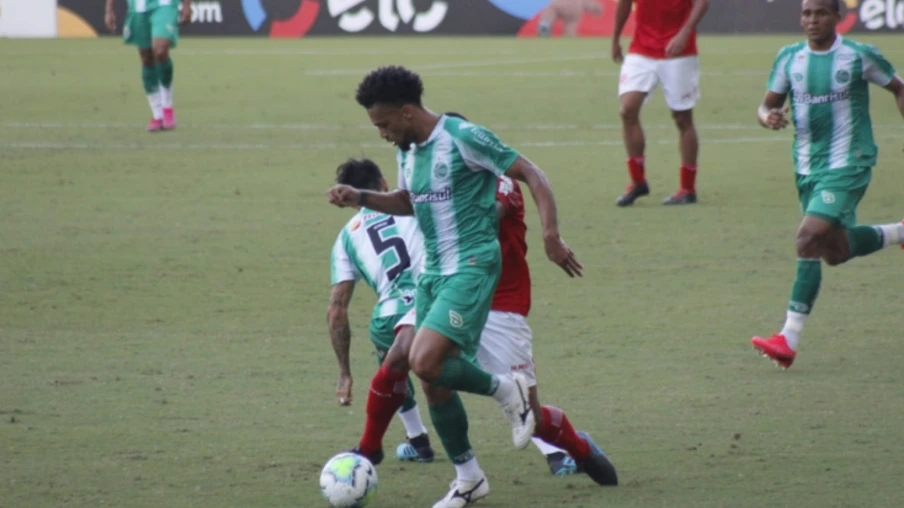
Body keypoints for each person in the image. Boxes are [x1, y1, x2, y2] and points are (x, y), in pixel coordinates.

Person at [326, 65, 583, 506]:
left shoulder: (463, 136)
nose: (382, 134)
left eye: (384, 124)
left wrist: (550, 234)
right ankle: (469, 479)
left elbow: (532, 173)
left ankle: (509, 392)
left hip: (471, 266)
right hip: (433, 274)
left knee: (424, 361)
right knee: (422, 373)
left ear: (407, 113)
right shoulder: (407, 150)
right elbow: (408, 201)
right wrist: (361, 196)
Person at [750, 0, 904, 369]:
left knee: (807, 237)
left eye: (820, 13)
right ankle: (899, 233)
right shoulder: (789, 58)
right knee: (833, 251)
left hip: (850, 162)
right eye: (806, 13)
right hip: (807, 168)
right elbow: (765, 105)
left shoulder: (857, 55)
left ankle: (787, 338)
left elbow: (899, 87)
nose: (812, 20)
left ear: (837, 17)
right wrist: (767, 116)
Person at [327, 158, 436, 463]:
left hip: (389, 317)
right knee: (446, 380)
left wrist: (345, 373)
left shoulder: (346, 237)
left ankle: (417, 439)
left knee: (390, 364)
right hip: (436, 300)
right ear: (384, 184)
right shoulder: (412, 203)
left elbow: (337, 310)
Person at [611, 0, 709, 206]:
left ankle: (687, 188)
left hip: (678, 51)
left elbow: (702, 3)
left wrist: (685, 32)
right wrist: (615, 39)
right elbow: (624, 4)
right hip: (641, 49)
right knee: (628, 110)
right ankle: (638, 182)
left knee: (682, 118)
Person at [104, 0, 190, 132]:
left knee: (160, 50)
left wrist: (186, 5)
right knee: (146, 57)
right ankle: (157, 114)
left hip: (165, 5)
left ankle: (167, 107)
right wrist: (109, 10)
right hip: (138, 7)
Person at [537, 0, 604, 37]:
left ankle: (544, 26)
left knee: (549, 12)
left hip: (557, 5)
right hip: (575, 9)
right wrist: (596, 9)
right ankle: (569, 37)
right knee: (571, 25)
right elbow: (588, 3)